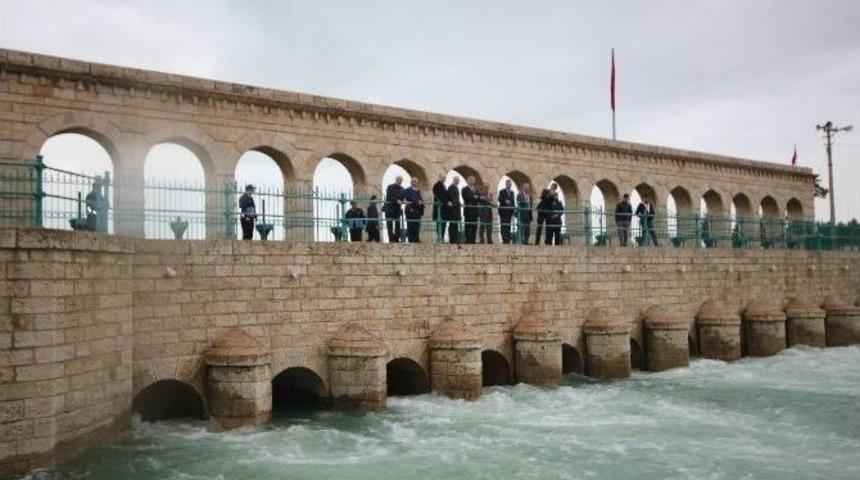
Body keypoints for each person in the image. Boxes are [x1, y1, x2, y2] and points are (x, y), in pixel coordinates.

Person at [384, 175, 405, 243]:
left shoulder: (403, 189)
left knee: (398, 224)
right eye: (398, 179)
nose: (400, 181)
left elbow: (403, 198)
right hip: (389, 208)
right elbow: (389, 197)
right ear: (396, 179)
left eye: (401, 180)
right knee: (389, 224)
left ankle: (396, 239)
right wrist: (396, 201)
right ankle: (391, 239)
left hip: (397, 209)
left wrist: (403, 200)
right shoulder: (390, 187)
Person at [403, 177, 425, 243]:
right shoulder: (407, 190)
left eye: (416, 181)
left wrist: (422, 202)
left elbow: (420, 199)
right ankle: (411, 240)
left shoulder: (418, 191)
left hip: (418, 211)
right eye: (413, 181)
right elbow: (409, 198)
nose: (414, 183)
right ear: (411, 182)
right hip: (410, 210)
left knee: (417, 225)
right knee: (410, 225)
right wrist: (418, 201)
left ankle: (416, 240)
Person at [497, 179, 516, 244]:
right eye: (508, 184)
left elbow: (513, 202)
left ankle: (507, 239)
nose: (509, 185)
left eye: (510, 184)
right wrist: (505, 200)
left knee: (508, 225)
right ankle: (504, 239)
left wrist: (513, 210)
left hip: (509, 211)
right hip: (503, 211)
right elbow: (499, 199)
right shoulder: (502, 191)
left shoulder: (512, 192)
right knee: (503, 225)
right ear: (506, 184)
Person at [445, 176, 462, 244]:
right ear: (453, 180)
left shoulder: (455, 187)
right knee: (452, 224)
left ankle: (454, 239)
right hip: (453, 209)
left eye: (458, 180)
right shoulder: (451, 187)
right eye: (456, 180)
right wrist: (457, 202)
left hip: (455, 208)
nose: (457, 181)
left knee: (455, 224)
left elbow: (455, 198)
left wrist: (458, 202)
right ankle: (452, 240)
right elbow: (452, 197)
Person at [461, 175, 479, 244]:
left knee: (474, 226)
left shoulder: (476, 189)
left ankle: (473, 240)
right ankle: (468, 240)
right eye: (471, 180)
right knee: (468, 225)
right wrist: (473, 197)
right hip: (468, 210)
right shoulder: (464, 189)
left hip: (475, 210)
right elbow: (465, 197)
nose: (472, 181)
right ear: (467, 181)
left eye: (473, 180)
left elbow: (479, 197)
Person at [432, 173, 447, 242]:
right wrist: (445, 201)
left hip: (443, 208)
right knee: (440, 222)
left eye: (445, 178)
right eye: (443, 178)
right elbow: (438, 196)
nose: (444, 179)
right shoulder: (437, 185)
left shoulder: (443, 186)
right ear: (439, 177)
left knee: (443, 223)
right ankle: (439, 237)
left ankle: (442, 237)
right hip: (440, 207)